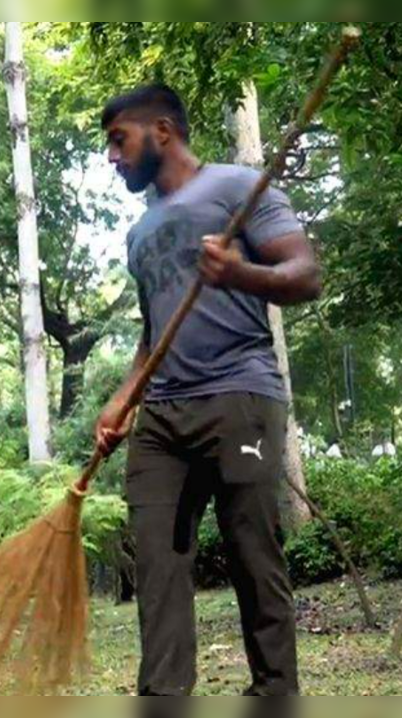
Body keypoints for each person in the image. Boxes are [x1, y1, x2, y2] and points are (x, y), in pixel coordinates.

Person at [95, 84, 322, 696]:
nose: (112, 157)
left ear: (162, 131)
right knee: (156, 560)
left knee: (253, 550)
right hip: (163, 418)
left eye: (119, 141)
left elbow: (306, 274)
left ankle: (275, 691)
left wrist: (241, 272)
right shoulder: (140, 236)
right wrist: (122, 400)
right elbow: (154, 336)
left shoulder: (236, 189)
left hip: (240, 401)